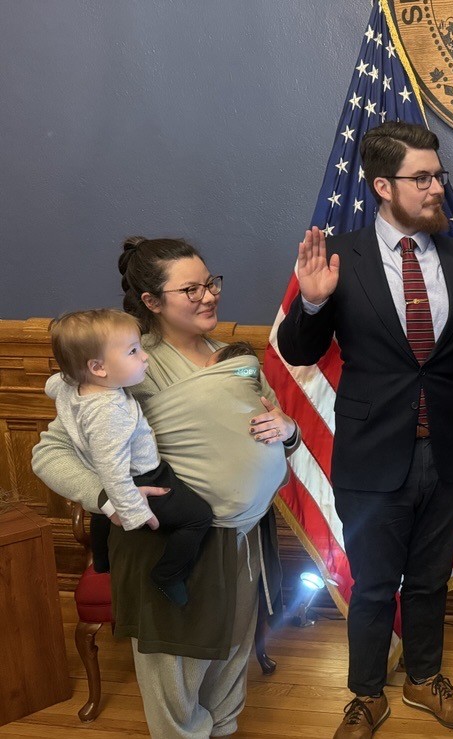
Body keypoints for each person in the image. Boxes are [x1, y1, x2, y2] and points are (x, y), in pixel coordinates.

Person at [277, 120, 453, 739]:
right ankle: (366, 695)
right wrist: (312, 305)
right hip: (371, 457)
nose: (437, 188)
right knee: (372, 586)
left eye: (438, 176)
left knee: (427, 580)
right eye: (423, 178)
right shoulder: (342, 256)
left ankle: (423, 679)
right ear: (382, 186)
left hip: (447, 452)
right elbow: (299, 351)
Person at [32, 236, 299, 739]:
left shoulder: (234, 356)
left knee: (233, 653)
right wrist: (107, 497)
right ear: (151, 302)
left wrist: (287, 431)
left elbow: (275, 429)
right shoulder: (126, 364)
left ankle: (222, 730)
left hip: (245, 541)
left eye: (211, 282)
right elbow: (48, 453)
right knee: (177, 670)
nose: (209, 295)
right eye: (190, 288)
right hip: (174, 542)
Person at [46, 308, 213, 606]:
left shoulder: (72, 385)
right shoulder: (112, 411)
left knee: (102, 511)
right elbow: (114, 471)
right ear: (98, 367)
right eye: (133, 351)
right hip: (144, 477)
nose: (144, 357)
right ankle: (168, 574)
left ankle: (102, 560)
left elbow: (54, 384)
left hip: (100, 471)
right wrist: (135, 512)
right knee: (198, 517)